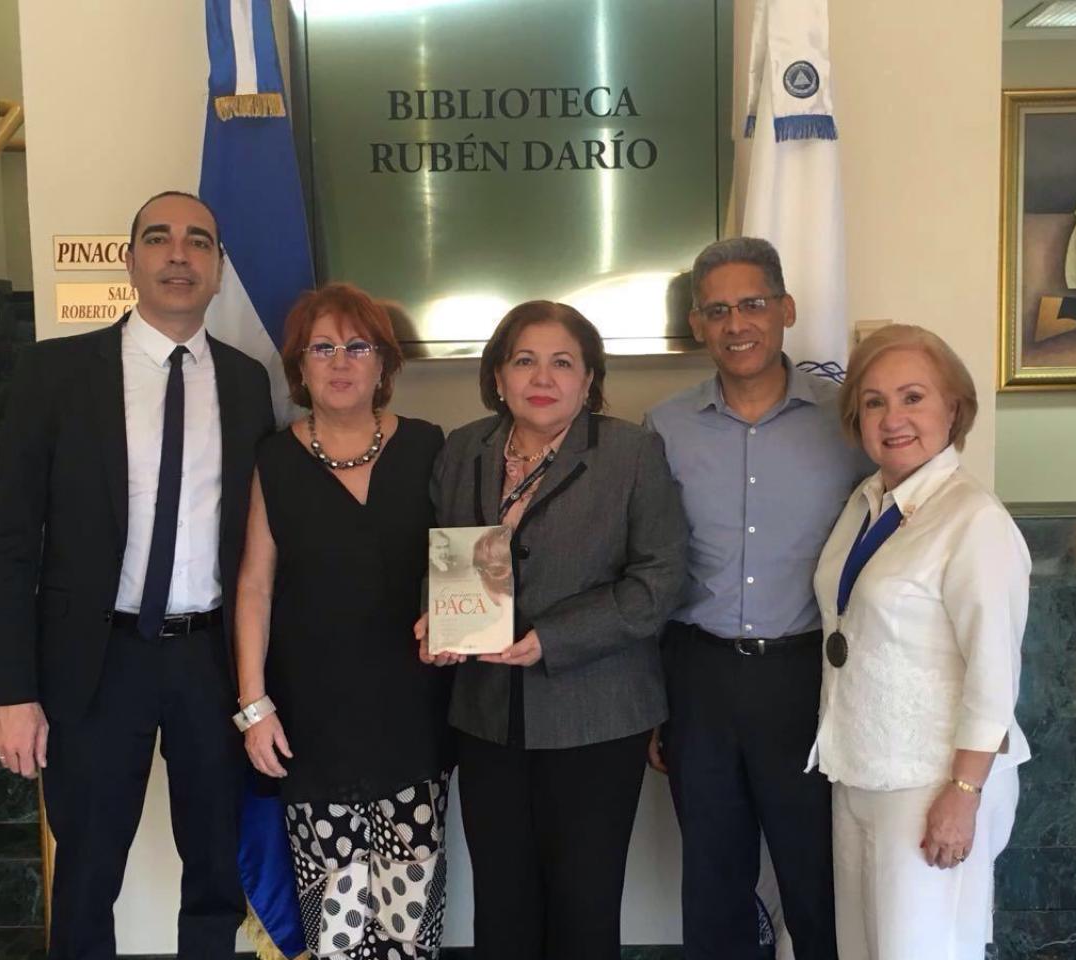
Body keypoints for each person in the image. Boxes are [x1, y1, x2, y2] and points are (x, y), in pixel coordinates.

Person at [0, 190, 276, 959]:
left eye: (199, 243)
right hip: (95, 660)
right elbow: (12, 543)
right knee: (86, 869)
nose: (179, 255)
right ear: (130, 260)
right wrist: (13, 690)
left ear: (217, 269)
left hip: (209, 660)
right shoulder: (54, 375)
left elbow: (259, 549)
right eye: (159, 238)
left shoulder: (249, 385)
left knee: (215, 863)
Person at [418, 301, 686, 960]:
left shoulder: (631, 452)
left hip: (596, 718)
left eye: (563, 362)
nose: (543, 376)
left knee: (583, 904)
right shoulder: (464, 450)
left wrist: (552, 638)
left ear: (590, 379)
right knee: (503, 903)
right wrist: (434, 612)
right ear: (499, 376)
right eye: (525, 360)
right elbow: (444, 557)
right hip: (487, 719)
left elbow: (658, 583)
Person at [643, 237, 868, 960]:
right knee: (713, 878)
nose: (736, 323)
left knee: (817, 875)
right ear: (699, 326)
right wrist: (654, 700)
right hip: (697, 675)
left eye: (752, 304)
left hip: (806, 676)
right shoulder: (664, 427)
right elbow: (648, 562)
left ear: (786, 310)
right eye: (717, 310)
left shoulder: (848, 421)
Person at [233, 282, 451, 960]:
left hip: (412, 716)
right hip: (310, 726)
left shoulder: (428, 447)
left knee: (409, 916)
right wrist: (252, 706)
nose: (340, 360)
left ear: (383, 363)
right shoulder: (273, 459)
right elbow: (254, 588)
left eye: (358, 346)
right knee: (336, 918)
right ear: (299, 366)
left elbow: (460, 565)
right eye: (320, 347)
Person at [809, 324, 1030, 960]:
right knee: (866, 949)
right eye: (873, 401)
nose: (892, 418)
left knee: (923, 949)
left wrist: (961, 796)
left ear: (954, 408)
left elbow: (994, 675)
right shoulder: (869, 499)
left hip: (931, 782)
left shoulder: (974, 519)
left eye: (913, 397)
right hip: (857, 765)